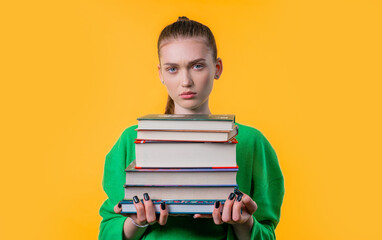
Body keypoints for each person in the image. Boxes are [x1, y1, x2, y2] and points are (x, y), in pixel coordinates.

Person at [99, 16, 284, 240]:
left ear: (217, 68)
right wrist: (136, 222)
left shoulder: (252, 142)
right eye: (173, 69)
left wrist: (244, 222)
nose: (186, 81)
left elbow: (267, 234)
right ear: (160, 74)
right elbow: (108, 231)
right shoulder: (132, 140)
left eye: (197, 66)